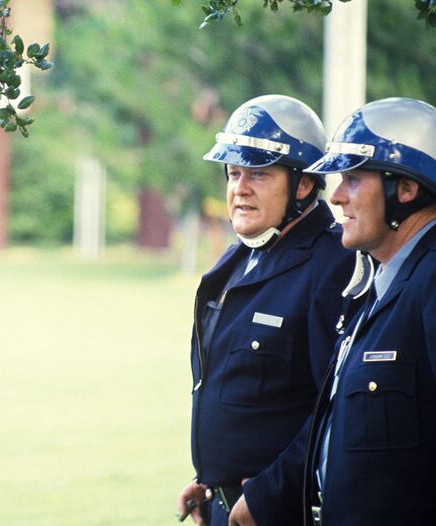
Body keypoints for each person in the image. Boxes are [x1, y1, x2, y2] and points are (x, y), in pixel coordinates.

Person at [230, 97, 436, 526]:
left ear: (405, 189)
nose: (337, 196)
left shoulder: (429, 280)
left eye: (353, 180)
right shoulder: (380, 285)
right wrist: (267, 496)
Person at [176, 95, 354, 526]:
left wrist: (270, 494)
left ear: (304, 185)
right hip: (225, 504)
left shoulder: (332, 264)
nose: (240, 188)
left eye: (259, 173)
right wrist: (211, 479)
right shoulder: (239, 258)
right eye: (234, 173)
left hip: (280, 511)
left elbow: (336, 408)